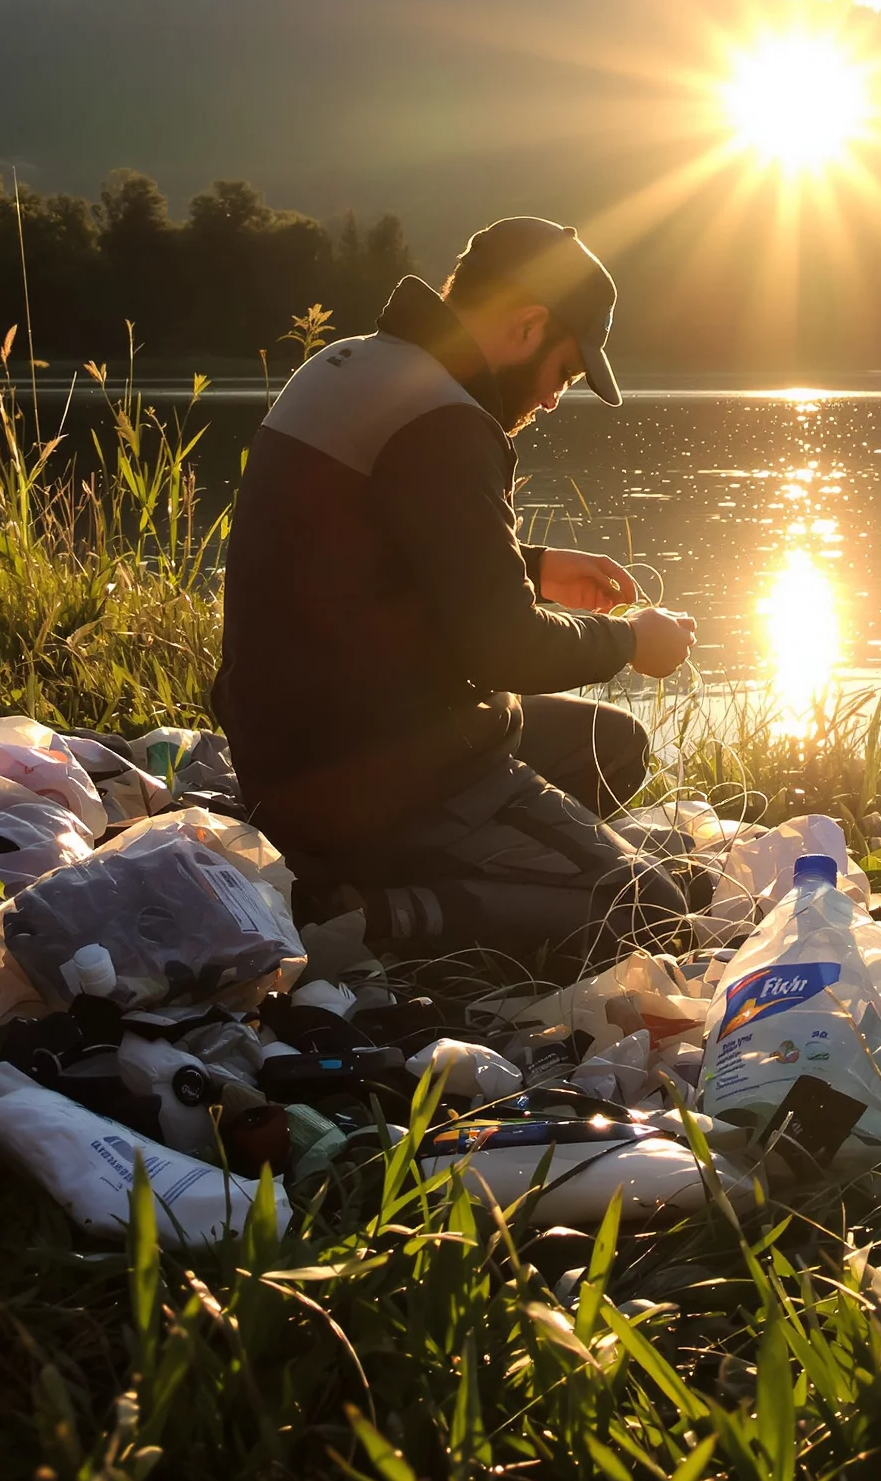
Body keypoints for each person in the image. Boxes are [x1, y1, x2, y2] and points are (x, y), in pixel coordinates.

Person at [212, 216, 697, 968]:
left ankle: (431, 865)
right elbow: (507, 651)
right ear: (528, 325)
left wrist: (531, 566)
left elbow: (370, 557)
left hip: (292, 751)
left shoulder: (353, 365)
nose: (550, 403)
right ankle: (375, 914)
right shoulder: (444, 421)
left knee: (614, 748)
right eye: (563, 375)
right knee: (652, 912)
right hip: (381, 774)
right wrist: (635, 642)